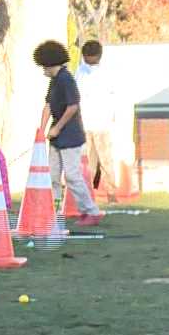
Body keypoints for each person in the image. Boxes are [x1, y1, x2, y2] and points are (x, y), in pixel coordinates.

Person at [34, 40, 101, 227]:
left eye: (44, 66)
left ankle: (91, 211)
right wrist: (41, 129)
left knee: (72, 176)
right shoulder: (54, 81)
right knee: (52, 176)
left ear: (50, 62)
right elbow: (48, 105)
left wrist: (57, 127)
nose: (43, 70)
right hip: (56, 138)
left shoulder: (66, 79)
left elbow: (73, 107)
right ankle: (53, 212)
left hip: (70, 136)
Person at [75, 39, 114, 200]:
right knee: (85, 160)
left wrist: (111, 119)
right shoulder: (80, 72)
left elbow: (113, 97)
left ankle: (111, 192)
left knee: (105, 158)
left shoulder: (107, 73)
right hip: (83, 123)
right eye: (87, 59)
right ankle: (87, 193)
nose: (90, 63)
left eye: (93, 59)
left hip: (101, 123)